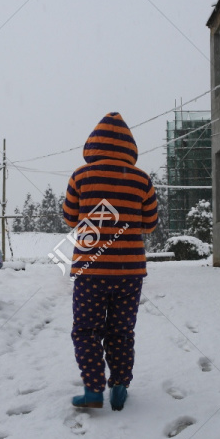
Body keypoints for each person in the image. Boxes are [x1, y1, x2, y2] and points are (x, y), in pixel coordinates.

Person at [63, 112, 158, 411]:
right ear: (129, 146)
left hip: (90, 271)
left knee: (87, 330)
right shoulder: (142, 179)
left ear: (93, 145)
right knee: (121, 331)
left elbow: (69, 218)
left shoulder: (80, 176)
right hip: (130, 272)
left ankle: (93, 388)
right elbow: (150, 223)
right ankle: (119, 385)